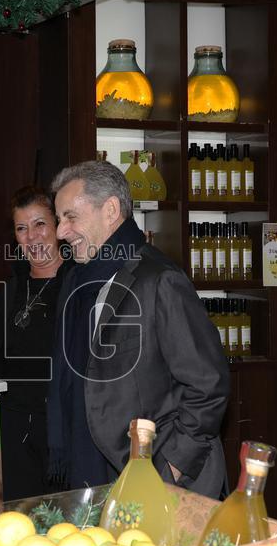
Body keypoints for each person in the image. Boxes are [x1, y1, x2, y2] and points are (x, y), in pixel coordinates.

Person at [47, 160, 229, 499]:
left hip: (155, 478)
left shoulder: (159, 280)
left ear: (111, 210)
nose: (60, 232)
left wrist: (170, 468)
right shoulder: (74, 280)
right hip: (91, 473)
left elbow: (208, 384)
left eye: (70, 217)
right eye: (59, 220)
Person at [0, 186, 72, 500]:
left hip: (62, 431)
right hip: (13, 428)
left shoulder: (79, 285)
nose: (32, 237)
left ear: (59, 228)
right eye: (22, 228)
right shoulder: (10, 290)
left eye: (39, 224)